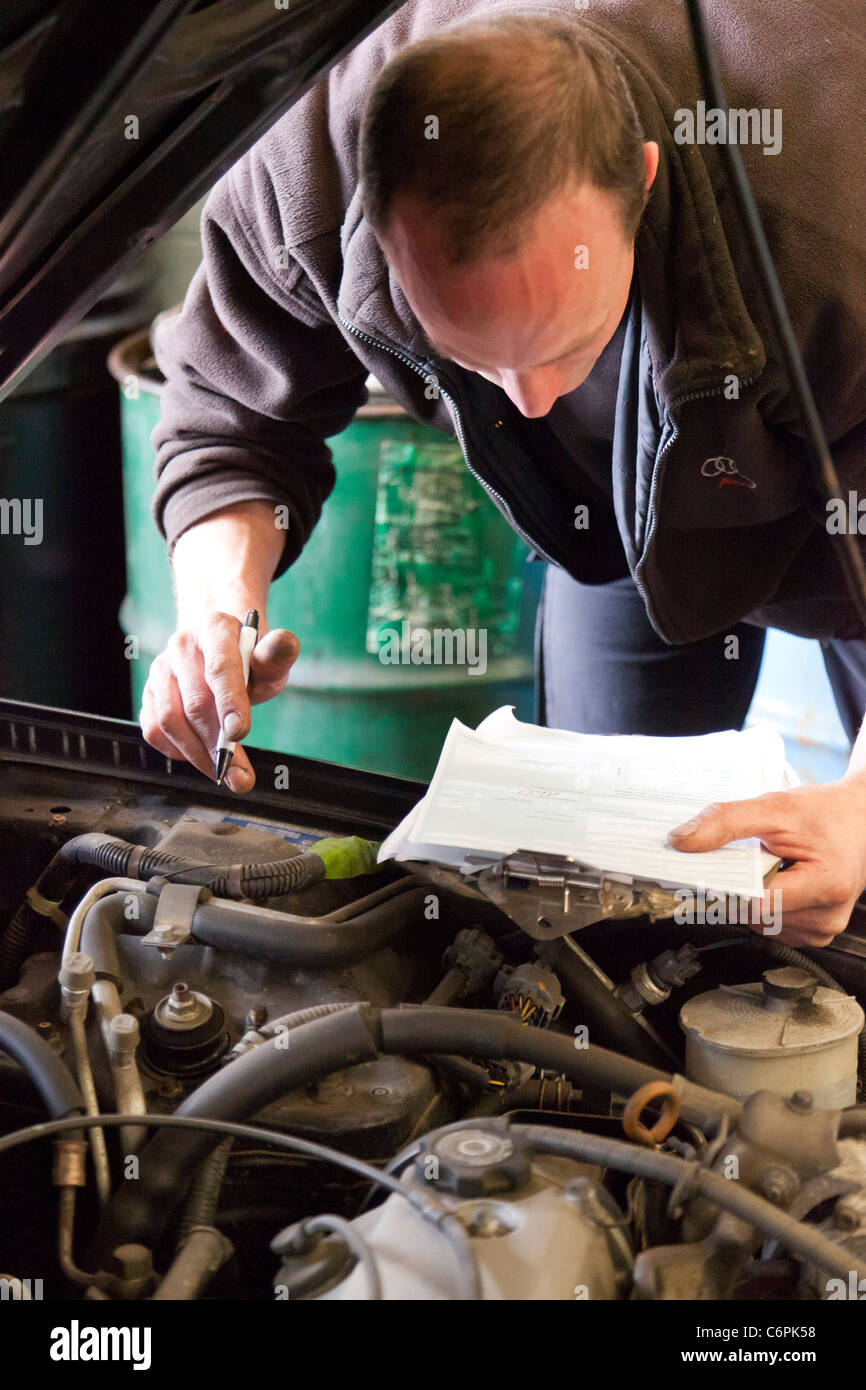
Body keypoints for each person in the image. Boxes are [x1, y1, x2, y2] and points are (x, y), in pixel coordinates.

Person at [141, 1, 866, 948]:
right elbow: (233, 414)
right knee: (607, 906)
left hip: (838, 524)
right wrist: (216, 610)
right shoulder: (308, 170)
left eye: (564, 348)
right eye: (473, 357)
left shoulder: (829, 229)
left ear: (641, 182)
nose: (527, 406)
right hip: (617, 526)